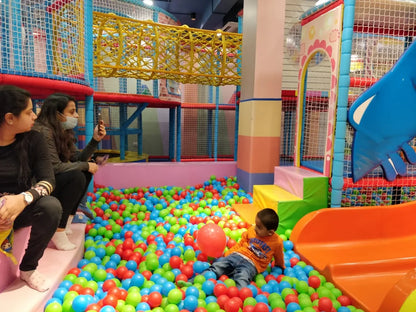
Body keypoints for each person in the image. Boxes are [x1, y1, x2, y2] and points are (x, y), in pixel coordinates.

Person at [0, 85, 63, 292]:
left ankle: (28, 268)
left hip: (22, 209)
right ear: (10, 118)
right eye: (29, 112)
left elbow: (48, 181)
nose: (35, 116)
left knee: (51, 207)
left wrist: (22, 199)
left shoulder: (34, 140)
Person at [33, 93, 106, 250]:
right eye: (71, 111)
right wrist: (86, 166)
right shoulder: (43, 131)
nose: (76, 115)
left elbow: (77, 158)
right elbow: (54, 167)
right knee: (77, 175)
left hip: (50, 181)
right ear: (57, 114)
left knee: (84, 172)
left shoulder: (61, 131)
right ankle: (58, 230)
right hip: (38, 186)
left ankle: (65, 224)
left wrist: (95, 140)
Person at [182, 208, 285, 289]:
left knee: (242, 278)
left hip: (252, 264)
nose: (255, 228)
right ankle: (193, 282)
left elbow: (279, 256)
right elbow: (241, 244)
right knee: (217, 267)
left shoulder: (277, 242)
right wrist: (229, 253)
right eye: (255, 224)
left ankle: (238, 298)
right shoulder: (251, 231)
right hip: (237, 255)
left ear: (270, 232)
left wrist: (281, 266)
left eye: (259, 227)